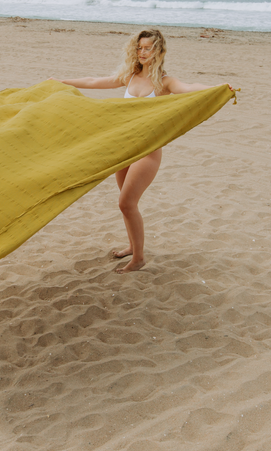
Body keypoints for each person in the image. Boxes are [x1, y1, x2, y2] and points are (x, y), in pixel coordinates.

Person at [52, 28, 231, 274]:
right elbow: (96, 81)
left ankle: (138, 259)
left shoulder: (164, 82)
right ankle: (132, 247)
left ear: (158, 50)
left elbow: (189, 87)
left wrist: (218, 87)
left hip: (147, 152)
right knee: (128, 205)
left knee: (126, 203)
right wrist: (63, 82)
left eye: (148, 48)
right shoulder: (130, 76)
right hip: (124, 149)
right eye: (139, 48)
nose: (142, 52)